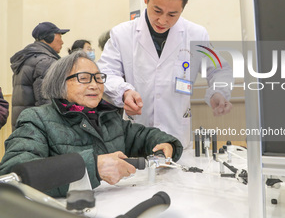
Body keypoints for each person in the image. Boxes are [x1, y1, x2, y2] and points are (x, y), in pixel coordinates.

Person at [0, 51, 183, 197]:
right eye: (84, 78)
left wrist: (167, 144)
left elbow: (143, 136)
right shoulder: (36, 120)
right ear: (60, 84)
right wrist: (93, 167)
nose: (95, 85)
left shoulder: (108, 117)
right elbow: (12, 176)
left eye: (98, 78)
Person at [97, 0, 233, 148]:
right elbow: (105, 73)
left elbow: (218, 69)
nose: (162, 20)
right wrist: (124, 92)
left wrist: (218, 92)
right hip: (137, 134)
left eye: (172, 14)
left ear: (183, 8)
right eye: (157, 10)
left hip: (176, 134)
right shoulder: (121, 34)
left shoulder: (196, 34)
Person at [10, 21, 69, 130]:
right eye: (59, 37)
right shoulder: (46, 62)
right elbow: (46, 102)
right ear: (49, 38)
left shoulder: (26, 59)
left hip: (24, 124)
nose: (62, 42)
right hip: (37, 129)